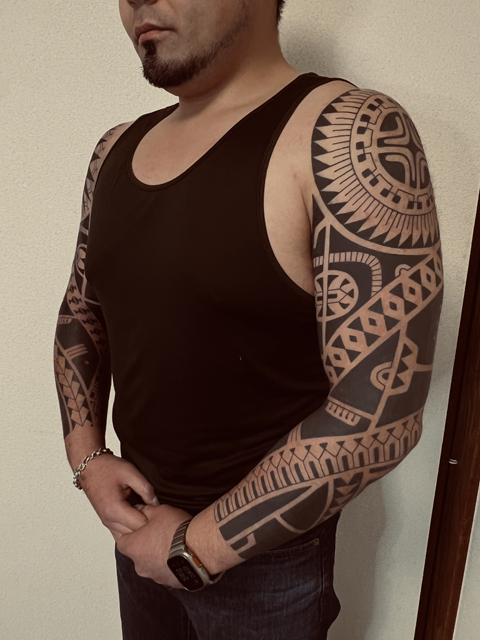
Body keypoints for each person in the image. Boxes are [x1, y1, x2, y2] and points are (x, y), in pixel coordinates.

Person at [53, 0, 444, 638]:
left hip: (264, 565)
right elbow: (81, 310)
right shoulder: (114, 149)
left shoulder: (350, 133)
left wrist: (195, 549)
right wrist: (88, 458)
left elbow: (382, 408)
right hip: (139, 531)